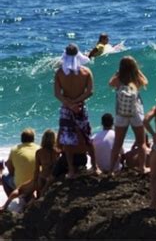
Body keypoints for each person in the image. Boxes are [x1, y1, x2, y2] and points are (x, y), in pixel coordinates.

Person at [54, 43, 99, 178]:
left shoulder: (60, 72)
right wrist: (77, 102)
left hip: (66, 108)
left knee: (67, 140)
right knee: (87, 137)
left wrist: (69, 103)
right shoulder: (86, 72)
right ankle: (95, 167)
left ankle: (71, 170)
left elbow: (57, 94)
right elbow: (90, 92)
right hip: (80, 107)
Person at [109, 56, 149, 174]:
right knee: (141, 142)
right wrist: (137, 71)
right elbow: (145, 81)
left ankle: (111, 169)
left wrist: (117, 72)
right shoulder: (136, 79)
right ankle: (142, 167)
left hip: (121, 113)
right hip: (136, 113)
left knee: (117, 143)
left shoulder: (118, 79)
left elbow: (110, 83)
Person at [2, 128, 40, 197]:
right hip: (37, 182)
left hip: (20, 184)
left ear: (22, 138)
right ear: (33, 138)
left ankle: (13, 199)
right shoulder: (39, 148)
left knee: (4, 177)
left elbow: (11, 171)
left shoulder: (14, 149)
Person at [33, 129, 59, 197]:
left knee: (39, 196)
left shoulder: (39, 152)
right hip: (54, 178)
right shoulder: (57, 152)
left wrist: (34, 181)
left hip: (42, 177)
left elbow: (37, 169)